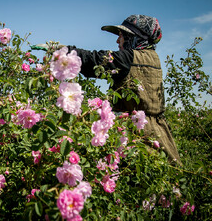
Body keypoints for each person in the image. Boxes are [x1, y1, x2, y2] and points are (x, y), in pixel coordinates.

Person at [32, 14, 182, 165]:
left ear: (134, 37)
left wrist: (62, 50)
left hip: (137, 133)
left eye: (122, 36)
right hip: (158, 132)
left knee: (138, 177)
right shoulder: (152, 57)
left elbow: (95, 60)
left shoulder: (130, 58)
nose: (118, 40)